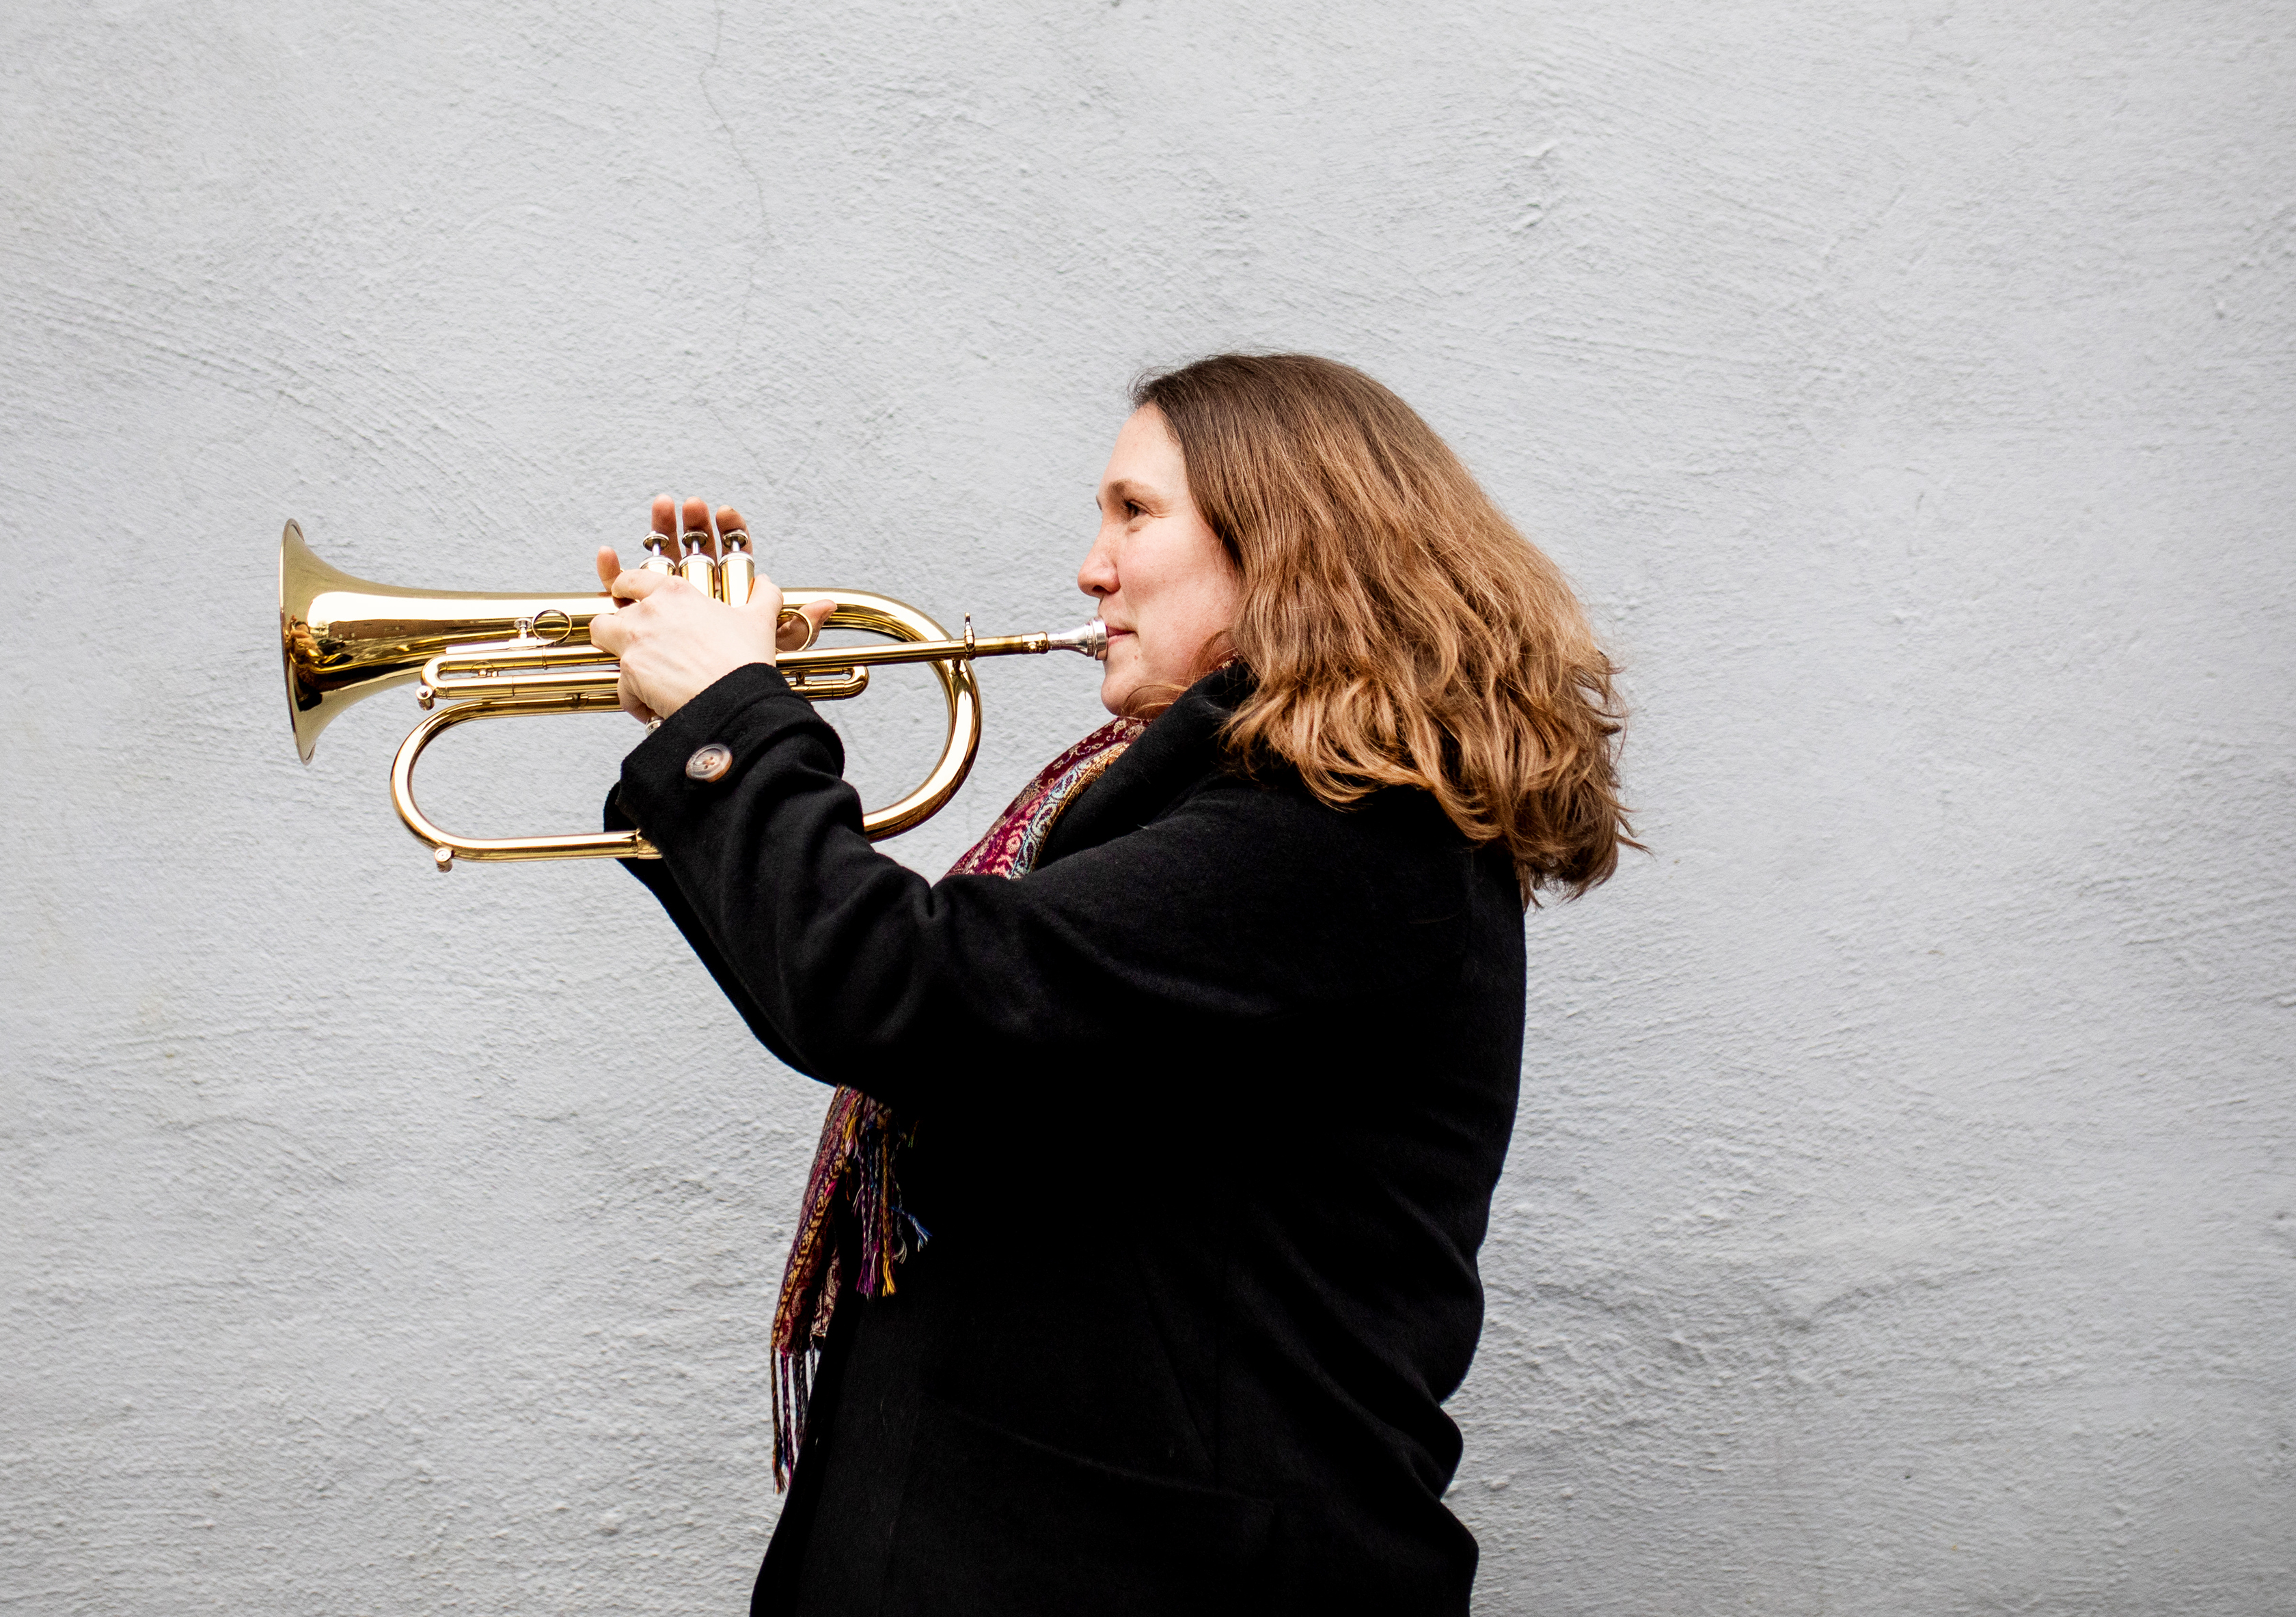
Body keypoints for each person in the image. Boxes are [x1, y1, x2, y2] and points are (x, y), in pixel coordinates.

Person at [587, 353, 1630, 1616]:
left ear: (1290, 539)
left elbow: (900, 985)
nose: (1093, 565)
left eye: (1135, 512)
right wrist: (697, 732)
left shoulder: (1347, 837)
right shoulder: (1205, 807)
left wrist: (730, 721)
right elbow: (903, 1014)